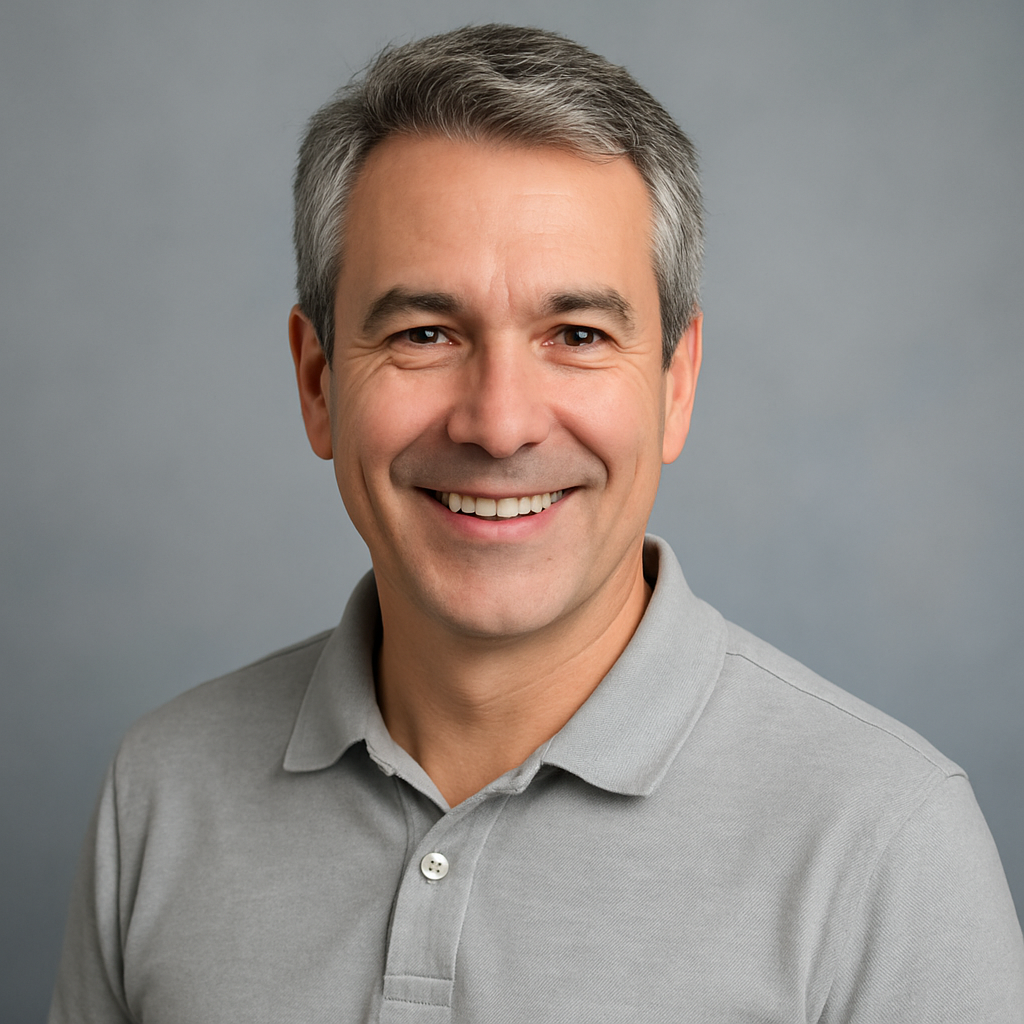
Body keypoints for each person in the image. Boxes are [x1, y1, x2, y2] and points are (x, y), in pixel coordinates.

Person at [49, 24, 1024, 1023]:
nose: (500, 422)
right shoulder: (161, 793)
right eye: (425, 332)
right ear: (317, 382)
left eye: (576, 335)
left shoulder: (885, 842)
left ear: (675, 384)